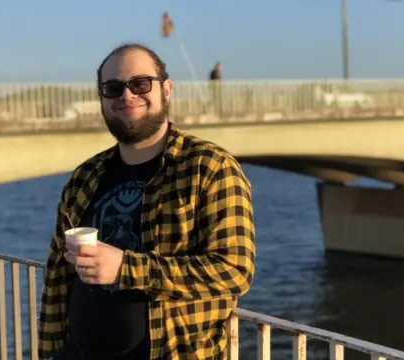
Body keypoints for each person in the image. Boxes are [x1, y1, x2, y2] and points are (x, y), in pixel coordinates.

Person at [38, 43, 256, 360]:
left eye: (141, 84)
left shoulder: (208, 168)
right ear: (102, 99)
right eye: (113, 88)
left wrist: (127, 268)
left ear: (166, 89)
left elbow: (234, 270)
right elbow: (58, 281)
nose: (127, 96)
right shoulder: (84, 177)